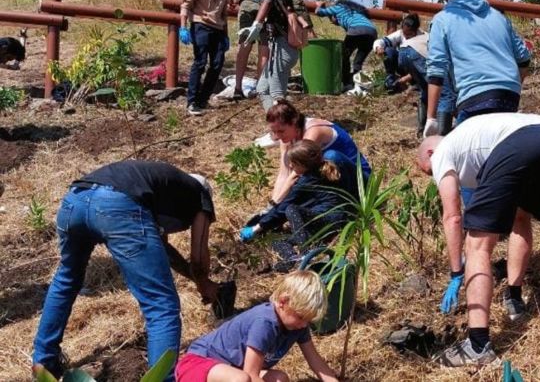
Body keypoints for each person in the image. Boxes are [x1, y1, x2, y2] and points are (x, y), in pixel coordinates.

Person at [32, 160, 220, 380]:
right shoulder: (200, 195)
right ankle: (162, 379)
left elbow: (162, 249)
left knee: (66, 280)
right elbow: (198, 258)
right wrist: (204, 282)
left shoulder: (160, 185)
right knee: (161, 305)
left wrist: (193, 277)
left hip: (75, 200)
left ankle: (43, 365)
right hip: (117, 205)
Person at [416, 113, 540, 367]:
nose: (436, 177)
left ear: (430, 154)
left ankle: (478, 345)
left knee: (476, 246)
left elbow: (453, 216)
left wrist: (456, 272)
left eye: (430, 173)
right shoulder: (473, 141)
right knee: (521, 218)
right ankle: (515, 299)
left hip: (518, 144)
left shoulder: (443, 151)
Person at [175, 270, 338, 382]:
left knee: (279, 379)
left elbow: (315, 361)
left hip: (233, 370)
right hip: (197, 365)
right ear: (282, 302)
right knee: (241, 380)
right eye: (301, 317)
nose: (304, 324)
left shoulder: (297, 326)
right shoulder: (265, 322)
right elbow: (251, 375)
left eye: (308, 320)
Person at [424, 0, 531, 136]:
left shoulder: (442, 20)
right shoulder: (498, 17)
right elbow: (524, 58)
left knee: (469, 154)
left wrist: (430, 118)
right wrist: (511, 82)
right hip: (509, 94)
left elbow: (436, 70)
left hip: (473, 95)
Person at [239, 140, 357, 270]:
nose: (290, 165)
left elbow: (284, 208)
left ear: (303, 164)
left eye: (293, 163)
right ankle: (291, 259)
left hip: (329, 220)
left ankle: (305, 254)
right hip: (325, 224)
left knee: (291, 209)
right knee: (277, 241)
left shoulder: (307, 181)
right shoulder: (327, 167)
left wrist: (257, 228)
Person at [264, 100, 371, 206]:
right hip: (333, 181)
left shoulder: (314, 132)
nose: (277, 136)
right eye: (274, 132)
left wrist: (275, 205)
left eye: (281, 131)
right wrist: (271, 205)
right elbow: (284, 173)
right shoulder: (286, 138)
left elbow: (296, 174)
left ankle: (347, 207)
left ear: (294, 121)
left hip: (360, 181)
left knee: (330, 156)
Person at [373, 13, 456, 137]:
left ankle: (422, 130)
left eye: (409, 33)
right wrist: (378, 48)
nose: (406, 35)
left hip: (406, 54)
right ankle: (442, 136)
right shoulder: (426, 38)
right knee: (446, 94)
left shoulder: (424, 36)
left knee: (425, 91)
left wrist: (405, 79)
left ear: (415, 30)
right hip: (417, 56)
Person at [181, 0, 232, 116]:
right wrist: (183, 27)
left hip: (218, 28)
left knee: (217, 64)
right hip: (200, 25)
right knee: (200, 62)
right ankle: (192, 101)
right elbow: (186, 5)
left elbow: (224, 13)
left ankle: (203, 99)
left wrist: (226, 35)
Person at [314, 0, 377, 90]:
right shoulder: (354, 11)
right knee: (357, 62)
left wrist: (319, 5)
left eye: (330, 18)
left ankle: (346, 82)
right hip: (372, 32)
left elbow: (318, 12)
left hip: (357, 29)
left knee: (342, 56)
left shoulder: (338, 7)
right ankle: (357, 85)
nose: (331, 21)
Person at [230, 0, 268, 100]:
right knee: (263, 50)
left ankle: (238, 87)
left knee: (245, 48)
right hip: (262, 12)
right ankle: (259, 87)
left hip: (251, 10)